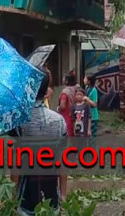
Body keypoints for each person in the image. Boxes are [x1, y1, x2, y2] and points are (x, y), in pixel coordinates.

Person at [10, 67, 68, 215]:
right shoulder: (59, 121)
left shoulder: (20, 123)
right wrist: (63, 194)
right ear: (46, 90)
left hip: (27, 196)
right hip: (51, 196)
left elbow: (16, 166)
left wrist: (12, 196)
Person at [58, 70, 78, 136]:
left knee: (68, 135)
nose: (63, 79)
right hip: (78, 114)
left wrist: (58, 108)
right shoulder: (78, 88)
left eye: (64, 78)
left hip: (67, 116)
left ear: (67, 80)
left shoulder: (66, 92)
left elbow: (62, 106)